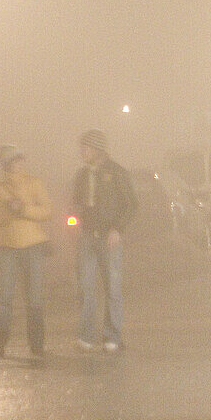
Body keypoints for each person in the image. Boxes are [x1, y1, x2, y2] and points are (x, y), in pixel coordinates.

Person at [71, 129, 137, 352]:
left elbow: (131, 204)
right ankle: (86, 336)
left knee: (113, 288)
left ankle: (113, 337)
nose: (82, 152)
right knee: (86, 287)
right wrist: (76, 222)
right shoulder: (82, 175)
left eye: (86, 147)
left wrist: (117, 229)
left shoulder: (117, 173)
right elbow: (76, 203)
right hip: (87, 237)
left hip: (109, 238)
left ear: (97, 149)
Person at [0, 145, 52, 358]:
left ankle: (37, 344)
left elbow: (47, 211)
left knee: (35, 298)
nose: (19, 164)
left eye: (20, 159)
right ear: (7, 164)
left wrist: (23, 209)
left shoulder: (34, 183)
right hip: (7, 246)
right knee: (4, 297)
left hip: (33, 245)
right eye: (14, 161)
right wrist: (8, 210)